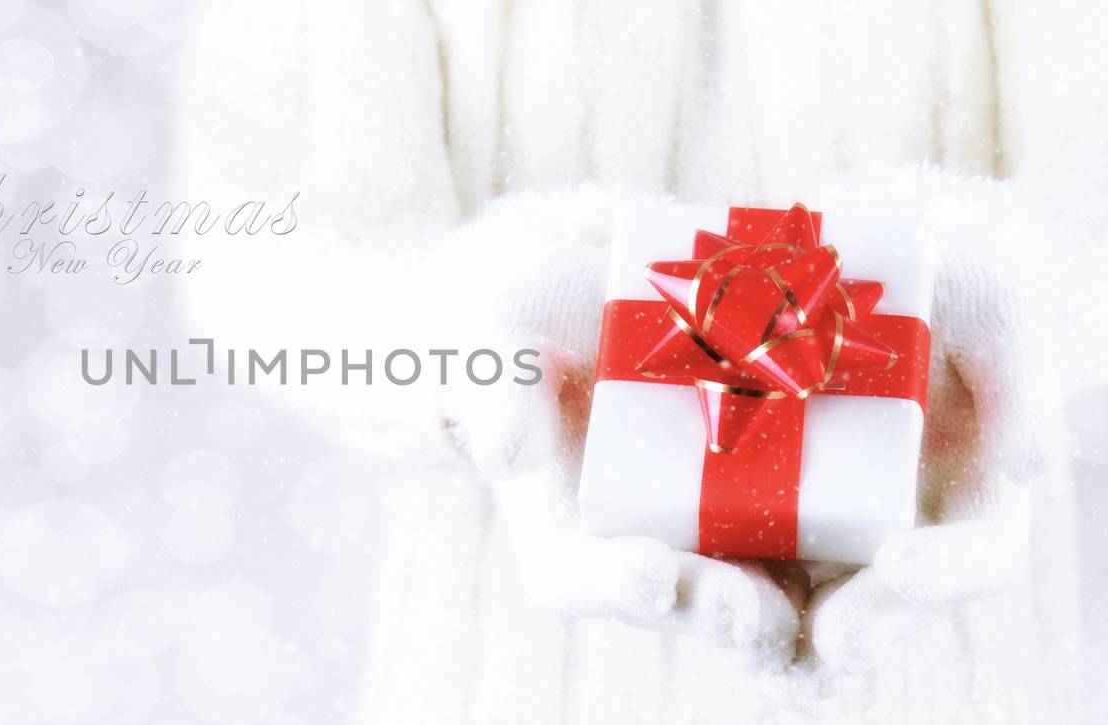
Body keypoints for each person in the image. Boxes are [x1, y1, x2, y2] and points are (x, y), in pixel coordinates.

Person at [171, 2, 1096, 721]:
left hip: (978, 684)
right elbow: (262, 249)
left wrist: (1027, 298)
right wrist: (470, 344)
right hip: (497, 683)